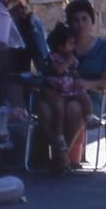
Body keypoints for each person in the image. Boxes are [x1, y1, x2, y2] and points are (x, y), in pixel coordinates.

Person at [66, 0, 106, 164]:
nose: (80, 24)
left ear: (92, 21)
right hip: (63, 94)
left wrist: (87, 85)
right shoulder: (63, 46)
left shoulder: (105, 48)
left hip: (92, 99)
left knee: (73, 108)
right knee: (47, 107)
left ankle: (67, 156)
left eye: (84, 19)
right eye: (75, 20)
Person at [32, 24, 86, 173]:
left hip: (69, 94)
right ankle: (59, 148)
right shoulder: (54, 58)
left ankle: (61, 154)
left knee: (73, 109)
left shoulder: (74, 57)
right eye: (70, 43)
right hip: (54, 92)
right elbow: (55, 71)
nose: (73, 46)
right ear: (60, 46)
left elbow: (75, 75)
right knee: (46, 110)